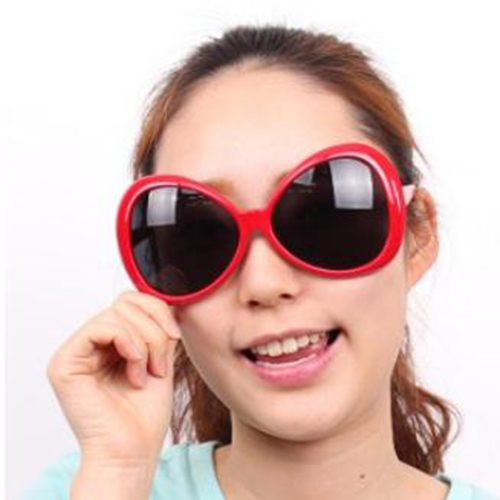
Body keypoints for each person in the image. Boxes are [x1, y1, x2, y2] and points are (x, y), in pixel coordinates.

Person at [24, 24, 498, 500]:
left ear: (416, 237)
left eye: (323, 217)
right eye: (201, 234)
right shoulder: (90, 485)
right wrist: (118, 475)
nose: (264, 283)